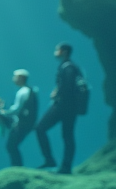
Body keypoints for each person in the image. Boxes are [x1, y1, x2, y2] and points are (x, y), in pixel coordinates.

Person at [36, 43, 83, 174]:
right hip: (70, 106)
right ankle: (65, 166)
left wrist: (57, 93)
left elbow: (67, 86)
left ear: (64, 51)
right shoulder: (70, 66)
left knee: (40, 128)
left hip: (63, 105)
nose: (55, 52)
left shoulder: (68, 67)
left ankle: (53, 161)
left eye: (57, 49)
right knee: (68, 135)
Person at [0, 69, 39, 167]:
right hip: (28, 123)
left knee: (11, 146)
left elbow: (16, 109)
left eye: (15, 76)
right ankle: (17, 166)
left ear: (21, 78)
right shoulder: (30, 90)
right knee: (12, 146)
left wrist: (3, 112)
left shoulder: (22, 92)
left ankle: (17, 167)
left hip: (22, 123)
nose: (13, 79)